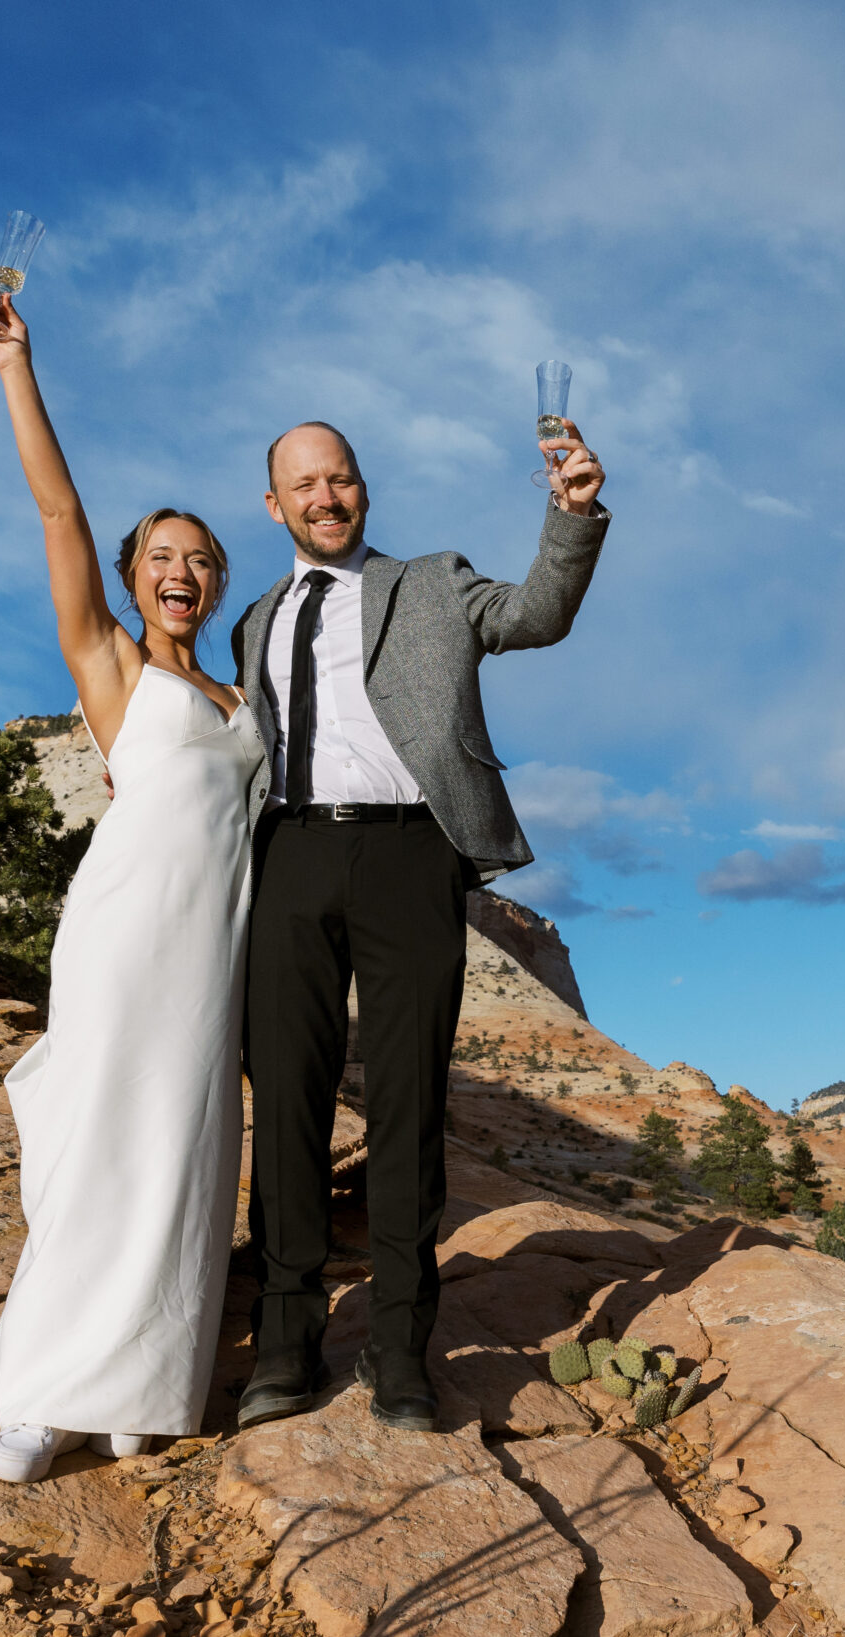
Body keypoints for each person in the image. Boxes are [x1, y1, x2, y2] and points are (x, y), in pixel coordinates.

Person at [233, 415, 607, 1431]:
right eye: (304, 485)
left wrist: (570, 512)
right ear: (275, 506)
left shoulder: (432, 581)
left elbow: (537, 614)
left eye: (340, 479)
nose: (325, 497)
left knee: (405, 1109)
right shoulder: (255, 620)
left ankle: (400, 1353)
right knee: (292, 1109)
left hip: (410, 853)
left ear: (363, 490)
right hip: (291, 856)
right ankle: (285, 1348)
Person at [0, 286, 268, 1483]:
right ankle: (43, 1394)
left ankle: (143, 1382)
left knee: (182, 1157)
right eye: (160, 558)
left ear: (217, 579)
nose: (179, 572)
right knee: (95, 1147)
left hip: (215, 952)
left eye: (200, 560)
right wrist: (12, 370)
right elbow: (56, 510)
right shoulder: (116, 670)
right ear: (135, 578)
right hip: (123, 936)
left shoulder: (249, 704)